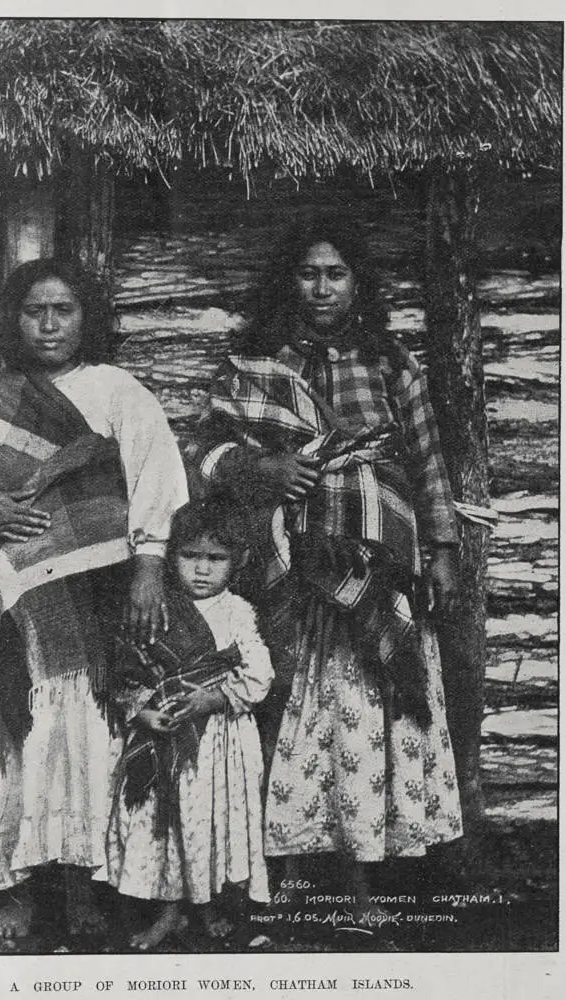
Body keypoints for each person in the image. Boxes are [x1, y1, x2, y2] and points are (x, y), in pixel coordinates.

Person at [192, 215, 463, 915]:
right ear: (289, 281)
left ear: (356, 283)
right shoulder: (256, 363)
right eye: (308, 273)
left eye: (334, 274)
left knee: (372, 710)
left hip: (383, 566)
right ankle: (295, 875)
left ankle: (372, 872)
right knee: (303, 709)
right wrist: (263, 465)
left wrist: (439, 551)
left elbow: (429, 463)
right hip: (298, 569)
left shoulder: (389, 363)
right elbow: (209, 456)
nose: (320, 288)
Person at [0, 258, 188, 940]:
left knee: (86, 735)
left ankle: (88, 885)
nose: (48, 324)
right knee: (16, 737)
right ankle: (25, 890)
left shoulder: (116, 389)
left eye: (63, 310)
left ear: (86, 318)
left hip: (91, 588)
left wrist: (150, 570)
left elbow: (158, 481)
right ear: (15, 319)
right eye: (34, 310)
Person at [103, 496, 274, 950]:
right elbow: (124, 672)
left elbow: (259, 675)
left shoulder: (238, 612)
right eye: (190, 556)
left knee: (206, 822)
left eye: (215, 559)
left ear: (238, 562)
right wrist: (141, 710)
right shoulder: (156, 607)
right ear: (170, 556)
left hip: (217, 743)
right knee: (168, 823)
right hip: (161, 737)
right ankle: (168, 911)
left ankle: (205, 904)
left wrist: (211, 699)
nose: (201, 569)